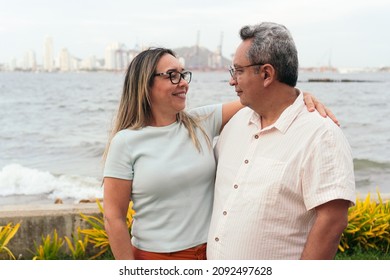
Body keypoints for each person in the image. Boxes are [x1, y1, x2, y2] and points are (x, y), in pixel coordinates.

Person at [102, 47, 337, 260]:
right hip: (155, 258)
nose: (183, 83)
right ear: (144, 84)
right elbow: (114, 217)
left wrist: (300, 95)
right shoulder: (125, 142)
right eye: (172, 75)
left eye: (184, 75)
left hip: (211, 255)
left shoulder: (201, 122)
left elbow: (265, 98)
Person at [206, 22, 356, 260]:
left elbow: (333, 220)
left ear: (266, 74)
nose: (232, 81)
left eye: (238, 71)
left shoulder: (321, 134)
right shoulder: (235, 123)